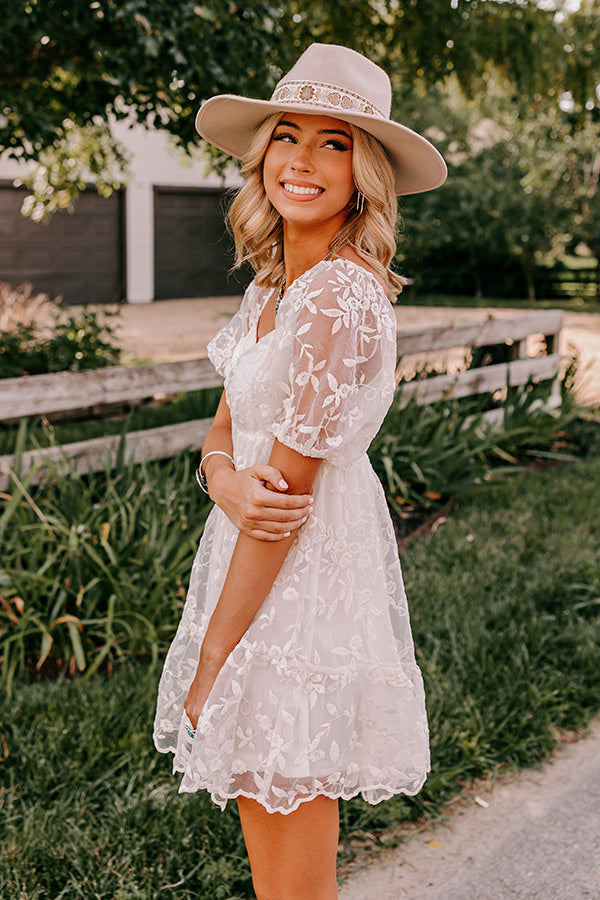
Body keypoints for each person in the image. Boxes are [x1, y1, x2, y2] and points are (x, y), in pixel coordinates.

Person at [153, 42, 446, 899]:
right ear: (262, 155)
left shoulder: (336, 298)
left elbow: (283, 503)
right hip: (251, 563)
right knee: (267, 839)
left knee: (292, 880)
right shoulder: (274, 290)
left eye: (334, 142)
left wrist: (214, 660)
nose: (304, 161)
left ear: (366, 173)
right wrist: (221, 477)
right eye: (289, 136)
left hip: (296, 584)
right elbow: (227, 428)